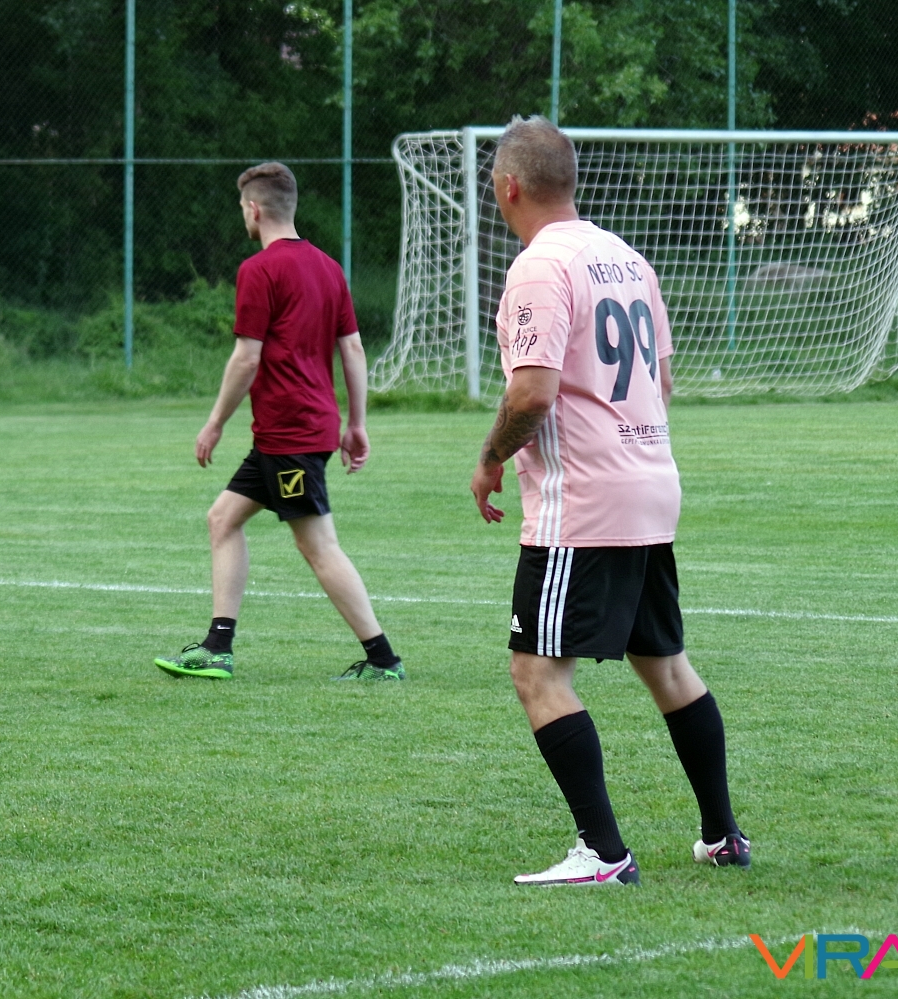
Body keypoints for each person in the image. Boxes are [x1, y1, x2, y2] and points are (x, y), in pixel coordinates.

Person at [468, 117, 747, 886]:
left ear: (508, 186)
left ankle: (604, 852)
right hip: (650, 486)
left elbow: (532, 391)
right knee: (665, 665)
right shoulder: (627, 258)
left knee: (536, 671)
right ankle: (722, 835)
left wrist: (491, 456)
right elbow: (662, 380)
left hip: (583, 502)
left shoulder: (539, 265)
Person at [154, 162, 403, 682]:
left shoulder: (259, 269)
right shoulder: (328, 267)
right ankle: (217, 647)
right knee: (223, 519)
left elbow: (247, 358)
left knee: (317, 545)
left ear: (253, 209)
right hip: (292, 430)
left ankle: (384, 660)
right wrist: (356, 422)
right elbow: (353, 349)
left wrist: (215, 422)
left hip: (291, 433)